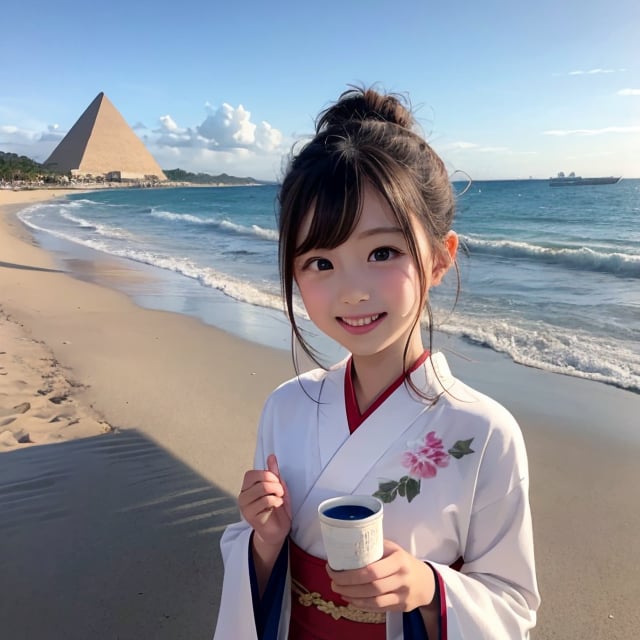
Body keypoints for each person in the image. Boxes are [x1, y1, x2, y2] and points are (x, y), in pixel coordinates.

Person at [213, 87, 540, 640]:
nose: (351, 291)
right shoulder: (285, 406)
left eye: (382, 252)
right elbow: (258, 572)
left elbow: (512, 601)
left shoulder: (485, 433)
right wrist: (264, 542)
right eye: (320, 261)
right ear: (293, 273)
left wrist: (428, 589)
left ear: (440, 258)